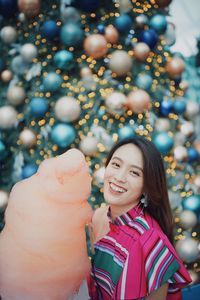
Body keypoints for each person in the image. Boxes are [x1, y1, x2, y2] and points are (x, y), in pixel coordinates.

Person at [87, 137, 192, 300]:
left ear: (146, 186)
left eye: (134, 172)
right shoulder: (98, 216)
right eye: (116, 164)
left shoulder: (151, 244)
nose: (119, 177)